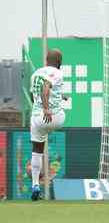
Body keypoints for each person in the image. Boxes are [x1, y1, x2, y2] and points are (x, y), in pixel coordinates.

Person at [30, 49, 65, 201]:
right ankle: (37, 185)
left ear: (46, 59)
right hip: (54, 117)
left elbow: (35, 95)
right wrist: (47, 108)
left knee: (36, 151)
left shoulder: (35, 73)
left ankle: (35, 184)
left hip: (37, 119)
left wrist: (42, 107)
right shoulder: (57, 73)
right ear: (59, 61)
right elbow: (45, 89)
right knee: (61, 115)